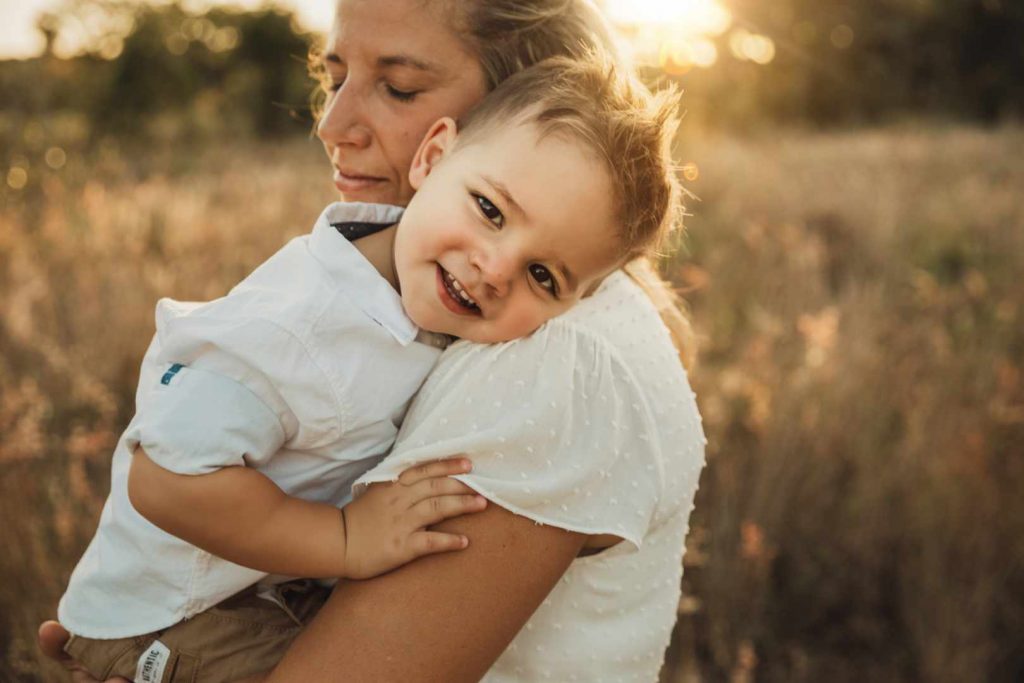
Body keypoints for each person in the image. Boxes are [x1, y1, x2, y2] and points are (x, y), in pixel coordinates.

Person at [40, 1, 706, 681]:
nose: (330, 126)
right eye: (335, 78)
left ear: (516, 97)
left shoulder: (556, 357)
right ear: (440, 154)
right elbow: (170, 471)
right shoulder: (371, 307)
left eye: (399, 86)